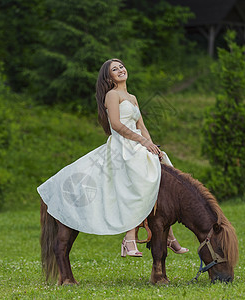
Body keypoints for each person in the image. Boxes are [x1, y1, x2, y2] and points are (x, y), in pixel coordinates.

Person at [37, 58, 188, 257]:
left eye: (121, 66)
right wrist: (142, 142)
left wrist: (152, 146)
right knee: (139, 181)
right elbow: (116, 125)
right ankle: (129, 238)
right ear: (109, 77)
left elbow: (141, 126)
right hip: (122, 145)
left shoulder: (132, 97)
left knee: (160, 177)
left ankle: (167, 235)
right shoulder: (112, 95)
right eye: (114, 69)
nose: (120, 70)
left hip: (137, 144)